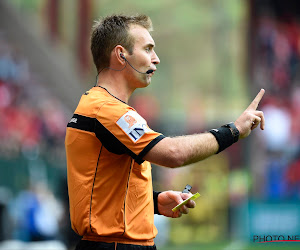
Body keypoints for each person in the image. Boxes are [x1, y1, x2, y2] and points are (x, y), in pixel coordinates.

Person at [65, 14, 265, 250]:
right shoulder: (108, 110)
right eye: (148, 49)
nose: (156, 59)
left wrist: (154, 202)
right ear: (121, 55)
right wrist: (233, 131)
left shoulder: (103, 107)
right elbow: (172, 154)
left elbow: (107, 191)